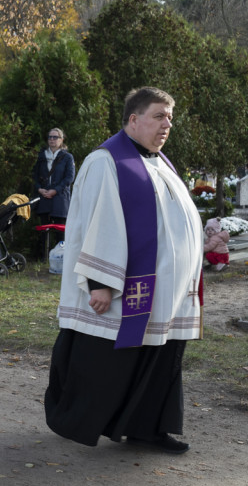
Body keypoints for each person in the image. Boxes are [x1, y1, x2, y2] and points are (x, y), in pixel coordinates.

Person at [44, 87, 202, 455]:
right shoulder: (106, 161)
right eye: (159, 116)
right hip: (122, 288)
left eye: (170, 117)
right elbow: (99, 224)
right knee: (106, 361)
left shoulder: (159, 161)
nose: (167, 124)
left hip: (167, 291)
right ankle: (71, 418)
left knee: (160, 359)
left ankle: (148, 427)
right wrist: (100, 283)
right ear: (133, 120)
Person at [31, 127, 75, 256]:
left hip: (60, 197)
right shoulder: (41, 156)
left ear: (61, 140)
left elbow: (69, 178)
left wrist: (55, 190)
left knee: (60, 229)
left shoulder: (67, 157)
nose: (52, 139)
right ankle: (42, 258)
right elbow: (35, 175)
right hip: (44, 196)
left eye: (55, 137)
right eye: (50, 137)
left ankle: (61, 257)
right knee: (43, 227)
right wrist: (39, 188)